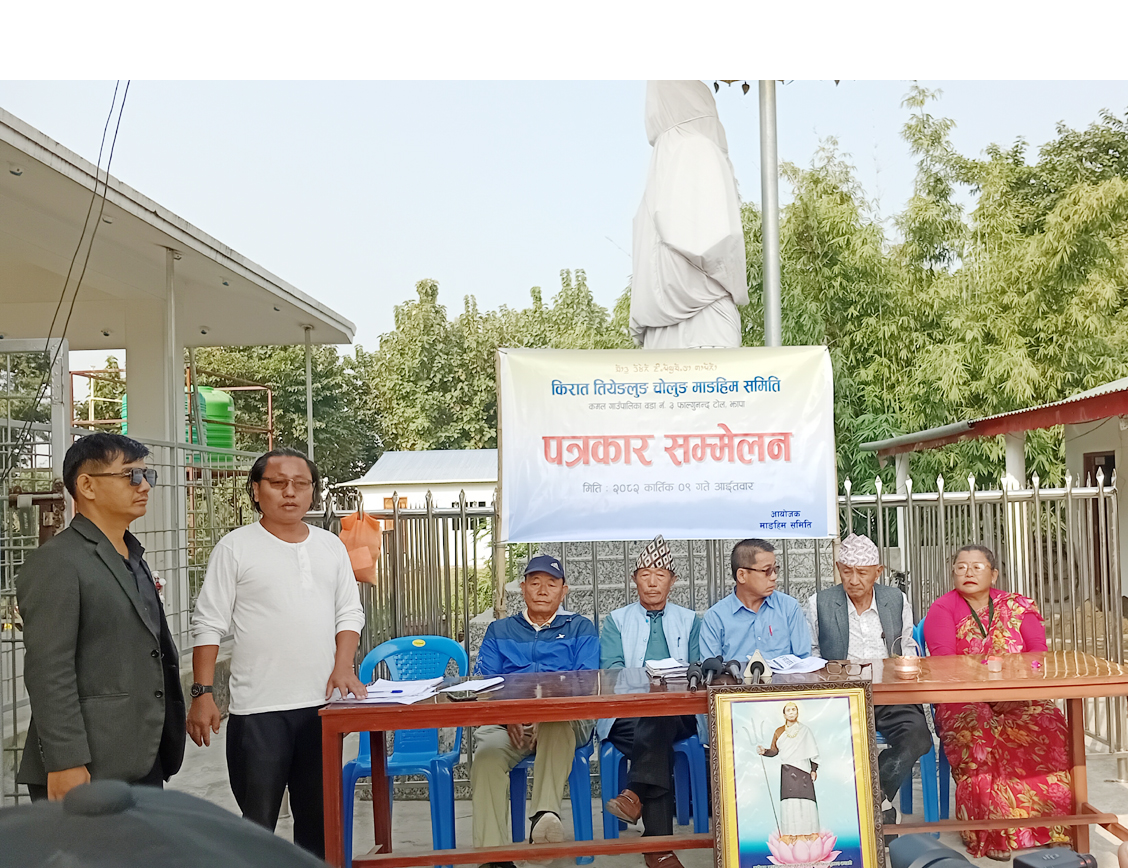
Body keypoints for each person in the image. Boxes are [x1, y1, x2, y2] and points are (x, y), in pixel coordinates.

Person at [187, 448, 367, 858]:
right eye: (278, 483)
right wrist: (202, 693)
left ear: (313, 492)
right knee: (258, 828)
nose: (290, 492)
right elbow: (209, 622)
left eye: (301, 484)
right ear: (256, 490)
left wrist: (343, 666)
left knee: (319, 827)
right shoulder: (235, 548)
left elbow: (349, 612)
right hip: (258, 711)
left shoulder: (330, 546)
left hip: (322, 708)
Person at [16, 433, 185, 801]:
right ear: (87, 486)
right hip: (88, 763)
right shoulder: (58, 561)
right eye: (131, 475)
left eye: (147, 475)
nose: (144, 486)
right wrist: (66, 760)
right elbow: (49, 670)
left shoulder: (131, 556)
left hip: (142, 753)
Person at [924, 544, 1071, 860]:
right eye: (961, 567)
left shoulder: (1016, 606)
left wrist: (1015, 692)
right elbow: (944, 664)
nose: (968, 572)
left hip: (1019, 692)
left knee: (1049, 722)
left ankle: (1054, 826)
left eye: (977, 567)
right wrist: (988, 693)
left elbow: (1037, 655)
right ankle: (993, 833)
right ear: (953, 573)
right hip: (962, 698)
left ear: (993, 574)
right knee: (978, 729)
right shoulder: (942, 609)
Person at [470, 554, 600, 867]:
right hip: (509, 723)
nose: (542, 590)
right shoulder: (500, 630)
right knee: (486, 756)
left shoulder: (580, 628)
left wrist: (546, 712)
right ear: (523, 587)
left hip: (565, 720)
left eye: (551, 584)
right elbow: (484, 684)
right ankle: (494, 859)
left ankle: (543, 819)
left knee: (556, 725)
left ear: (564, 591)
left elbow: (585, 683)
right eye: (535, 582)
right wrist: (508, 716)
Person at [805, 533, 933, 829]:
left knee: (918, 737)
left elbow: (907, 645)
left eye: (862, 573)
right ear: (838, 569)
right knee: (829, 745)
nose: (853, 580)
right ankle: (880, 813)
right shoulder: (819, 603)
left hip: (890, 695)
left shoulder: (896, 600)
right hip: (841, 697)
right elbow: (811, 654)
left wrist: (908, 665)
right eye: (846, 571)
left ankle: (867, 801)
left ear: (878, 572)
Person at [599, 535, 702, 868]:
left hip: (678, 713)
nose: (653, 582)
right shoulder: (616, 620)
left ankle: (634, 793)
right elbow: (612, 671)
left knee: (660, 717)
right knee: (656, 732)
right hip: (626, 715)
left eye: (660, 575)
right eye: (645, 574)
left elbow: (697, 669)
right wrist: (648, 688)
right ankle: (658, 849)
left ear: (673, 580)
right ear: (635, 579)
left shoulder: (690, 619)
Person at [701, 539, 811, 662]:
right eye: (767, 571)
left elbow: (804, 661)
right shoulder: (715, 617)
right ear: (742, 575)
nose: (774, 577)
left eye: (775, 569)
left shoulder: (789, 607)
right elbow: (710, 668)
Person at [757, 702, 820, 843]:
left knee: (806, 801)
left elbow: (813, 752)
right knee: (790, 802)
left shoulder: (805, 731)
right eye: (788, 710)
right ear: (784, 714)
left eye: (793, 710)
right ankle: (791, 834)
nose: (791, 712)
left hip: (804, 769)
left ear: (797, 712)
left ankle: (809, 833)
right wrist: (764, 751)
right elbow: (774, 751)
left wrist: (813, 769)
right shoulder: (779, 732)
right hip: (787, 770)